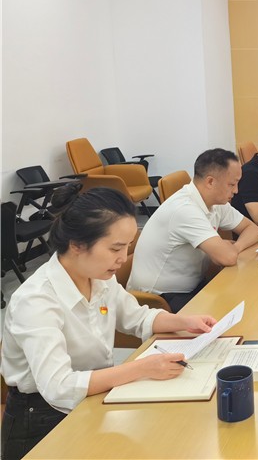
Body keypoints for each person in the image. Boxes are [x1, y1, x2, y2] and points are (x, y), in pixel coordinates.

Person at [0, 188, 217, 460]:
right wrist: (141, 368)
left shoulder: (100, 277)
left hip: (95, 395)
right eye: (115, 248)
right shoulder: (36, 301)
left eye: (127, 246)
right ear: (77, 244)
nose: (123, 258)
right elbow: (59, 386)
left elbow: (137, 317)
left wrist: (184, 321)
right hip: (43, 418)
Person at [127, 149, 258, 312]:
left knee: (247, 298)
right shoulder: (185, 209)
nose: (236, 191)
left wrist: (235, 247)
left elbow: (253, 230)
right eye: (232, 184)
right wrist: (227, 250)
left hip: (192, 285)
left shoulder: (216, 202)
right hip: (161, 298)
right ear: (210, 182)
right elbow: (227, 257)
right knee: (232, 311)